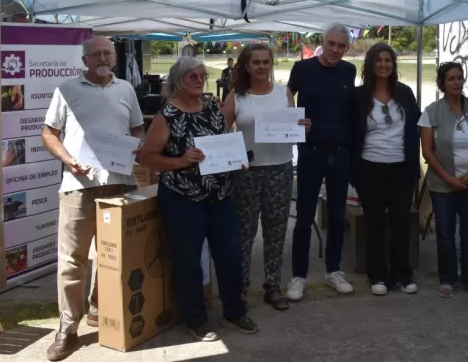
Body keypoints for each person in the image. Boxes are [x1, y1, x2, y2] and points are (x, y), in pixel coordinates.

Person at [138, 57, 258, 342]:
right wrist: (180, 161)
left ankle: (234, 311)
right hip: (182, 199)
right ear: (177, 81)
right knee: (188, 260)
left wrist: (236, 159)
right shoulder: (166, 115)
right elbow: (145, 157)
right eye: (191, 76)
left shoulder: (213, 109)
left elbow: (223, 143)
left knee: (230, 255)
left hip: (219, 196)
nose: (198, 80)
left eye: (202, 75)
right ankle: (195, 318)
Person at [42, 37, 144, 361]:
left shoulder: (126, 89)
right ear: (84, 59)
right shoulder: (66, 89)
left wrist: (135, 148)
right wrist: (69, 161)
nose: (102, 58)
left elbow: (138, 130)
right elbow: (48, 133)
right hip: (78, 184)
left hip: (120, 183)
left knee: (111, 253)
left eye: (107, 53)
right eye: (96, 54)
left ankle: (99, 306)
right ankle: (67, 327)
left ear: (114, 57)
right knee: (72, 258)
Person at [221, 44, 310, 311]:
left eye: (265, 62)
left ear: (271, 64)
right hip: (247, 172)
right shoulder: (236, 96)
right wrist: (231, 156)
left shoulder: (284, 92)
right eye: (256, 62)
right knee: (244, 232)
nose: (261, 66)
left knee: (276, 231)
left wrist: (302, 126)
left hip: (280, 169)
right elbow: (222, 132)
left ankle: (272, 284)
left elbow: (292, 126)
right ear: (247, 66)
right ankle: (240, 286)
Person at [287, 23, 357, 301]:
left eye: (341, 46)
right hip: (311, 151)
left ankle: (333, 270)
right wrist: (293, 117)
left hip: (340, 151)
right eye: (331, 44)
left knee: (337, 217)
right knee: (304, 217)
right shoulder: (303, 68)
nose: (335, 50)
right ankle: (298, 276)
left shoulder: (349, 71)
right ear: (322, 42)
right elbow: (287, 93)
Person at [349, 43, 422, 296]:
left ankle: (403, 273)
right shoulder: (359, 96)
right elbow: (351, 132)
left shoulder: (404, 93)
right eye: (378, 60)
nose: (383, 64)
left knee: (401, 221)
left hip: (402, 168)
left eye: (388, 60)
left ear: (393, 64)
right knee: (375, 222)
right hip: (369, 168)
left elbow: (417, 126)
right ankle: (378, 275)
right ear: (370, 64)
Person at [420, 63, 468, 298]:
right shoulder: (431, 112)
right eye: (451, 78)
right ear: (442, 83)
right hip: (443, 184)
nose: (457, 82)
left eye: (460, 78)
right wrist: (448, 179)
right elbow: (427, 152)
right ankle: (448, 279)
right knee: (445, 232)